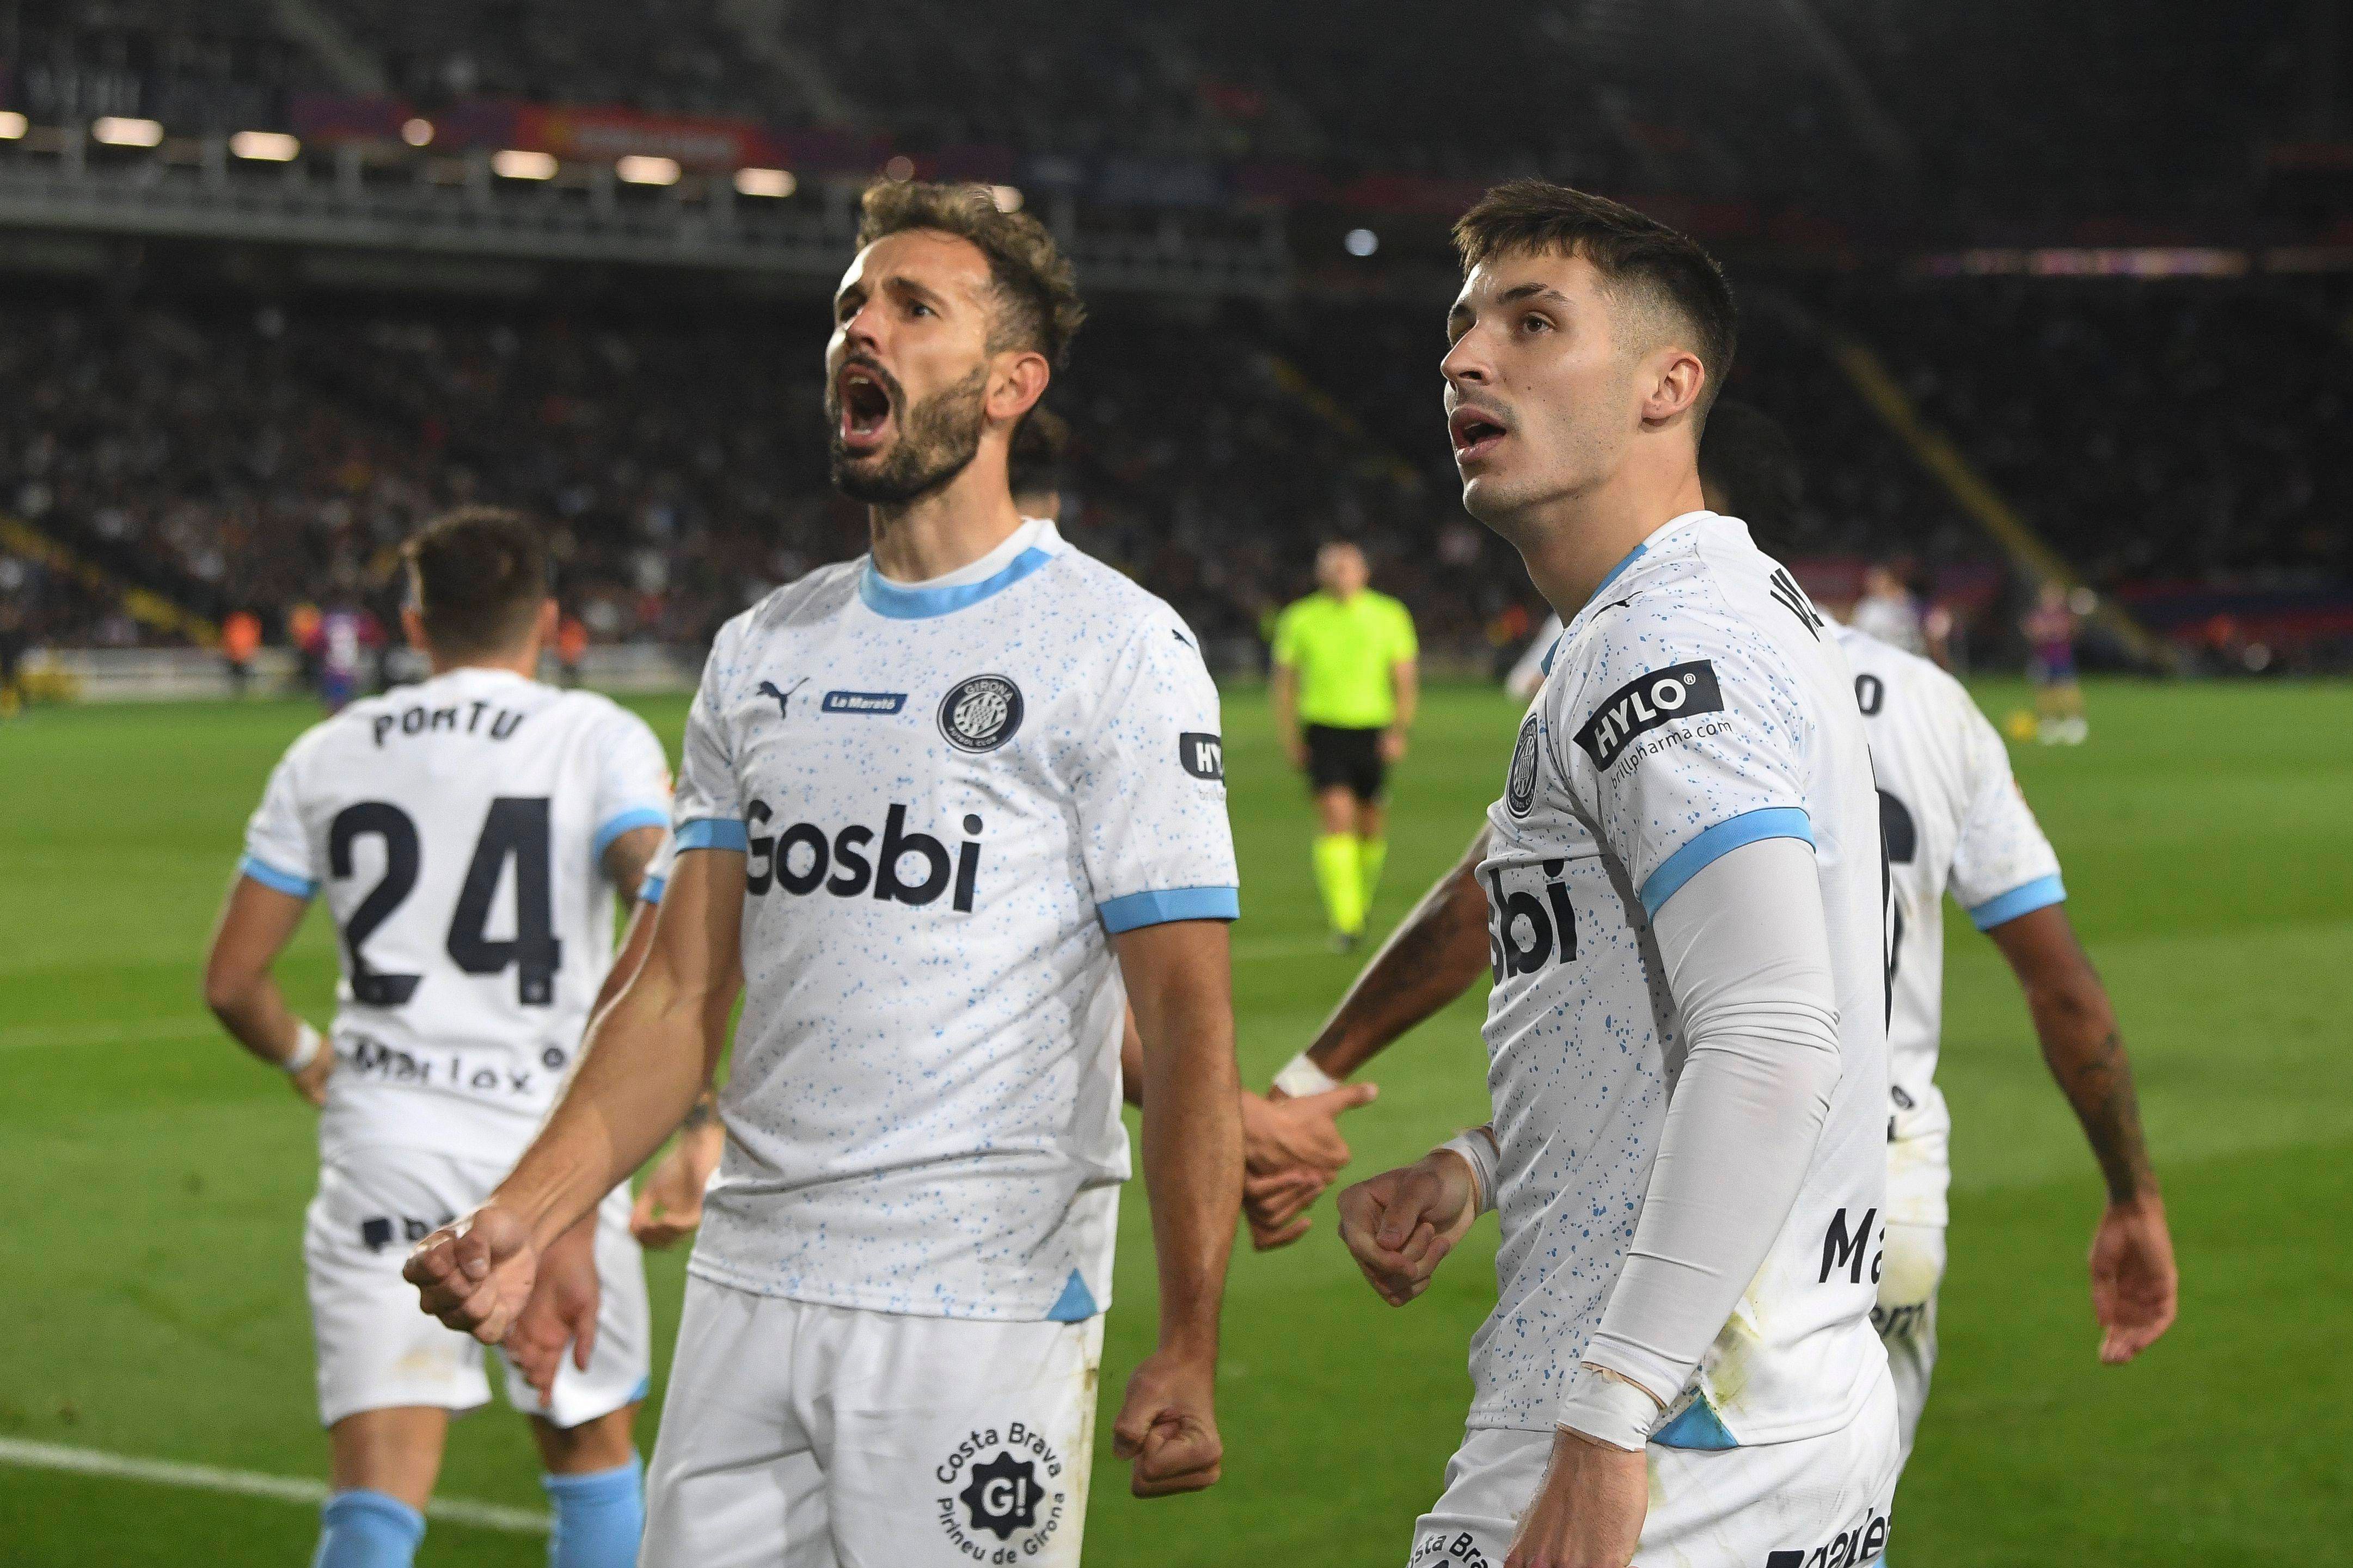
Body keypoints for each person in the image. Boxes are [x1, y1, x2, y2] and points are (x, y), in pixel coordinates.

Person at [406, 180, 1248, 1567]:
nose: (861, 327)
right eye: (851, 302)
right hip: (748, 1283)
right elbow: (676, 993)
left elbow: (1193, 1028)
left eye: (913, 306)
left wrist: (1187, 1339)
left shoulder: (1116, 648)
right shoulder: (763, 651)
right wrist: (528, 1209)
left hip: (978, 1307)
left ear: (1008, 384)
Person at [1267, 402, 2178, 1513]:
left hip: (1708, 1202)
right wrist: (2131, 1194)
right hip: (1889, 1203)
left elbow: (1488, 912)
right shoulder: (1938, 711)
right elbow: (2062, 985)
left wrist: (1315, 1079)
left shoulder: (1655, 662)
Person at [1335, 180, 1898, 1568]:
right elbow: (1670, 1010)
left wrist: (1604, 1418)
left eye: (1533, 324)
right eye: (1463, 326)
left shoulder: (1662, 643)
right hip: (1773, 1395)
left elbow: (1770, 1034)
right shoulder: (1726, 607)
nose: (1467, 357)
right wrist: (1482, 1162)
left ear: (1668, 386)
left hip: (1662, 1428)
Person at [201, 506, 673, 1568]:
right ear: (548, 622)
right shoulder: (594, 735)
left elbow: (233, 979)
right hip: (553, 1150)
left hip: (384, 1138)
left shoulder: (328, 750)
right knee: (592, 1455)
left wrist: (306, 1057)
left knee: (374, 1499)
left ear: (414, 624)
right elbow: (661, 898)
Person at [1270, 541, 1420, 949]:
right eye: (1333, 568)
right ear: (1321, 575)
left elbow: (1404, 679)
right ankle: (1347, 920)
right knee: (1337, 817)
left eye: (1348, 567)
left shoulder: (1389, 614)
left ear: (1363, 573)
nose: (1341, 575)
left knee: (1371, 825)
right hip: (1323, 730)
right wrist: (1291, 737)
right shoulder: (1300, 618)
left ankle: (1361, 899)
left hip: (1373, 730)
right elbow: (1285, 685)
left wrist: (1398, 730)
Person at [2025, 580, 2088, 743]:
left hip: (2062, 658)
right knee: (2045, 691)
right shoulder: (2038, 615)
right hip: (2044, 659)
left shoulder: (2065, 615)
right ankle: (2049, 722)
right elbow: (2034, 633)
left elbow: (2073, 631)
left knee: (2067, 689)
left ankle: (2075, 721)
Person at [1851, 563, 1927, 657]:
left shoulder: (1909, 600)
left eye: (1878, 580)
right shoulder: (1868, 607)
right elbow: (1858, 636)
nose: (1873, 584)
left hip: (1912, 655)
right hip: (1883, 657)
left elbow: (1923, 629)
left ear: (1889, 580)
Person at [222, 608, 262, 698]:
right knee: (237, 678)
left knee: (244, 677)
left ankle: (245, 694)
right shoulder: (237, 623)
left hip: (243, 657)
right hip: (236, 657)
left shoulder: (242, 623)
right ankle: (239, 694)